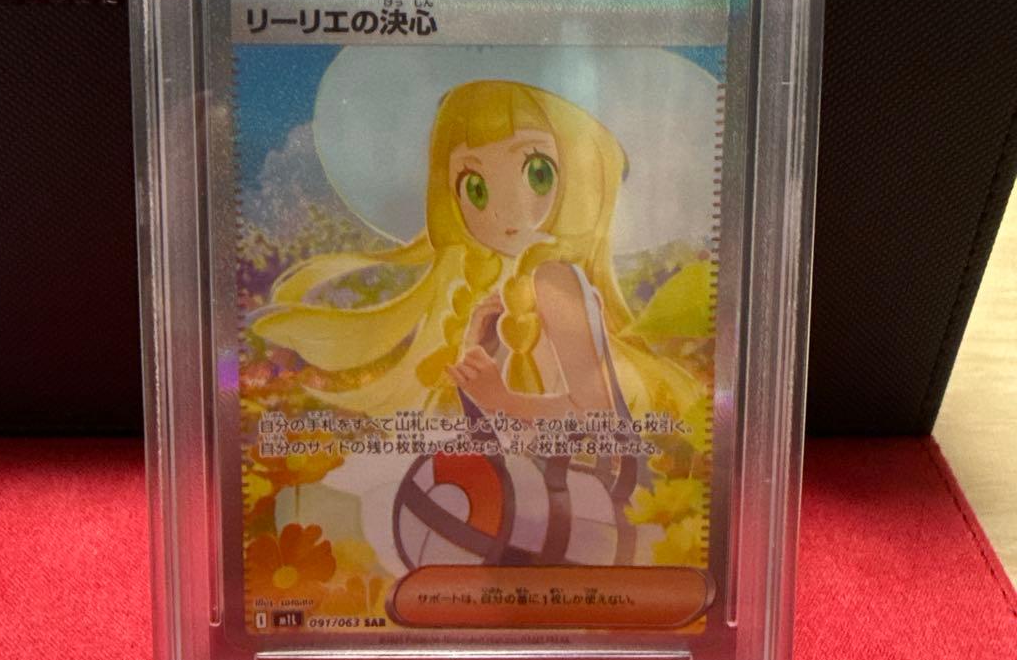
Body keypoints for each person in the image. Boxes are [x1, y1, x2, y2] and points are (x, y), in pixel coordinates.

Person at [252, 79, 706, 424]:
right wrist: (477, 351)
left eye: (538, 173)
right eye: (476, 188)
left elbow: (598, 414)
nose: (505, 210)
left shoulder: (555, 280)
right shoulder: (512, 292)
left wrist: (501, 399)